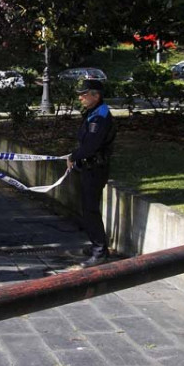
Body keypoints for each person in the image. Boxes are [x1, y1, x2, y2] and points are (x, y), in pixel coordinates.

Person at [67, 79, 116, 268]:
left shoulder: (101, 116)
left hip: (95, 168)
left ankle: (99, 251)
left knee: (91, 210)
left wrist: (74, 156)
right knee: (87, 209)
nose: (80, 97)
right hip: (88, 167)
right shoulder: (93, 113)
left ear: (96, 95)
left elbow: (91, 145)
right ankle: (96, 244)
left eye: (84, 94)